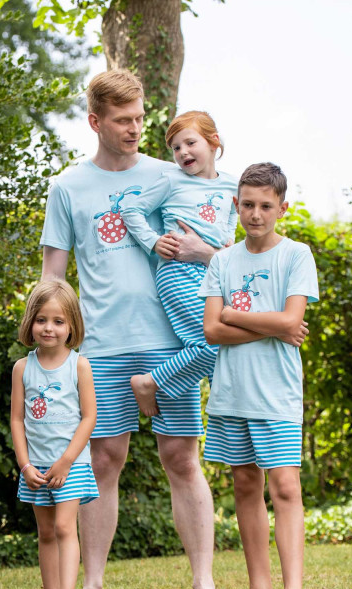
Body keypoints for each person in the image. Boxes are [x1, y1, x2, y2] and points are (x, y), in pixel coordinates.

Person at [40, 69, 226, 589]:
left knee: (182, 458)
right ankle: (92, 588)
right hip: (102, 344)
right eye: (123, 120)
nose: (135, 129)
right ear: (95, 122)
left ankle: (205, 587)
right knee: (103, 459)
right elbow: (53, 274)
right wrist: (51, 344)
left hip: (172, 341)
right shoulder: (67, 187)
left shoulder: (171, 173)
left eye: (140, 118)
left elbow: (219, 241)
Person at [200, 163, 318, 589]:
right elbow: (212, 330)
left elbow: (292, 320)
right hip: (232, 393)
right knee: (245, 484)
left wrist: (234, 315)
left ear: (282, 208)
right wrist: (271, 326)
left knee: (285, 487)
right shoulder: (222, 261)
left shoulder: (296, 255)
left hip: (277, 394)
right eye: (247, 204)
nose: (255, 214)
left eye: (266, 206)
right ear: (235, 204)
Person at [121, 110, 237, 416]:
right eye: (175, 147)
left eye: (190, 143)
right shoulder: (171, 180)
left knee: (229, 352)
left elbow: (232, 216)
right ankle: (149, 383)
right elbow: (131, 210)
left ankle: (226, 418)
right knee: (214, 341)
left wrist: (228, 239)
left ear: (214, 142)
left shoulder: (231, 185)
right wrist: (153, 241)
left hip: (213, 273)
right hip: (178, 271)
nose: (182, 152)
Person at [10, 280, 98, 589]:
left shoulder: (79, 365)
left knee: (64, 527)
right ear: (30, 322)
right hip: (36, 467)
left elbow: (89, 418)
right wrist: (25, 464)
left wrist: (65, 461)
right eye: (42, 320)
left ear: (71, 325)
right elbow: (17, 420)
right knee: (45, 533)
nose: (49, 328)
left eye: (58, 321)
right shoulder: (22, 368)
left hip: (71, 464)